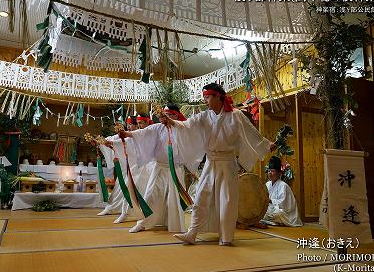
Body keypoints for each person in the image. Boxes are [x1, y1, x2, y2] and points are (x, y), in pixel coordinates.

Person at [159, 83, 275, 246]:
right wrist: (171, 122)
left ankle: (226, 237)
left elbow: (251, 133)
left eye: (207, 97)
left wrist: (266, 144)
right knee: (201, 196)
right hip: (211, 162)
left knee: (226, 200)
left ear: (218, 96)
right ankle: (192, 232)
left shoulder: (236, 115)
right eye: (205, 97)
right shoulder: (204, 116)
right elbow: (186, 125)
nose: (205, 100)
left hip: (228, 163)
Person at [119, 104, 202, 233]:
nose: (166, 118)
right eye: (164, 115)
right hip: (160, 167)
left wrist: (174, 124)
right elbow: (142, 133)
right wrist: (127, 133)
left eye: (169, 115)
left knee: (174, 199)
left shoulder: (182, 128)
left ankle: (174, 224)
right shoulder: (158, 127)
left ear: (176, 115)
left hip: (175, 169)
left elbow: (193, 138)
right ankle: (143, 223)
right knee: (151, 194)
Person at [98, 115, 153, 223]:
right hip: (134, 167)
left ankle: (146, 214)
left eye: (133, 124)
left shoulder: (150, 132)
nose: (131, 126)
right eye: (133, 124)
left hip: (148, 167)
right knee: (129, 187)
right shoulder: (133, 135)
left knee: (147, 192)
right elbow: (124, 141)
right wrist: (110, 143)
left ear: (147, 123)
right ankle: (124, 212)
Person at [261, 156, 303, 227]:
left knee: (278, 213)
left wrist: (270, 201)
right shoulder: (267, 184)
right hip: (271, 209)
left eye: (272, 171)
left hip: (284, 212)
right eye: (269, 171)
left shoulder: (283, 185)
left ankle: (271, 220)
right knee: (261, 212)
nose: (270, 173)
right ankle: (270, 220)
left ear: (279, 173)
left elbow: (283, 204)